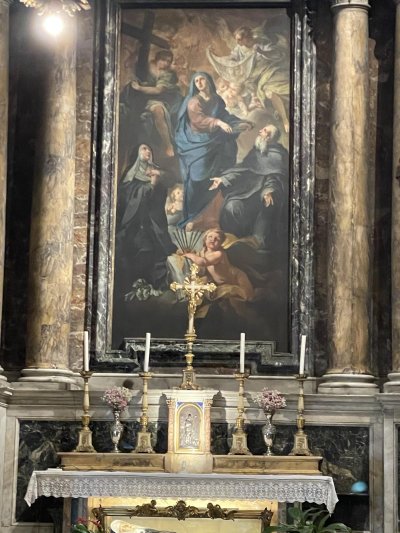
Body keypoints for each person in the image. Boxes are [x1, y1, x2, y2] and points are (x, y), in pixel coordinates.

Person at [175, 72, 252, 230]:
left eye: (202, 79)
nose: (199, 83)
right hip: (196, 142)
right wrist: (218, 122)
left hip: (214, 141)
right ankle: (193, 215)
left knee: (216, 175)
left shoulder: (217, 100)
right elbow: (198, 121)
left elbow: (225, 116)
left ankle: (210, 218)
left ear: (208, 81)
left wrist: (240, 122)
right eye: (196, 81)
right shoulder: (193, 102)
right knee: (197, 178)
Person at [209, 124, 288, 251]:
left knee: (269, 206)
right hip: (248, 192)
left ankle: (257, 240)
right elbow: (243, 169)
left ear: (269, 137)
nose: (260, 130)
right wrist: (223, 179)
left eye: (264, 130)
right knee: (231, 207)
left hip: (265, 194)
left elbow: (275, 177)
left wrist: (268, 190)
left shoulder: (279, 155)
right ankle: (235, 239)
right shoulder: (257, 151)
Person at [114, 144, 177, 297]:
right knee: (135, 249)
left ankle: (157, 285)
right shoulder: (130, 175)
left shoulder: (156, 171)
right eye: (144, 148)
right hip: (135, 222)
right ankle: (134, 286)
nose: (148, 151)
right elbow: (126, 198)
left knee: (157, 250)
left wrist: (157, 174)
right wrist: (151, 185)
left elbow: (171, 179)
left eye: (149, 149)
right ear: (136, 153)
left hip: (154, 221)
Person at [207, 25, 290, 134]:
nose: (237, 42)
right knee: (266, 93)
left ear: (247, 37)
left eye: (240, 39)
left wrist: (261, 51)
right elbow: (231, 59)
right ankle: (281, 117)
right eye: (237, 40)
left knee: (272, 90)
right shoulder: (239, 49)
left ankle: (285, 119)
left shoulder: (261, 42)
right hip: (256, 79)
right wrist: (215, 57)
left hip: (269, 71)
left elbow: (277, 54)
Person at [121, 50, 182, 159]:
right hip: (142, 97)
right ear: (157, 59)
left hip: (160, 98)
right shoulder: (147, 64)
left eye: (169, 61)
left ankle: (168, 145)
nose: (166, 63)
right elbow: (128, 65)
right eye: (163, 60)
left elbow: (158, 90)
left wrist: (140, 88)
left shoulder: (168, 74)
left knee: (158, 111)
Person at [183, 228, 254, 316]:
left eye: (217, 239)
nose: (213, 240)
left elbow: (203, 262)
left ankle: (245, 318)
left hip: (235, 279)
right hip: (221, 282)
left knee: (239, 305)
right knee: (225, 305)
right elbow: (198, 258)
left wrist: (190, 255)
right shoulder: (203, 251)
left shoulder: (219, 254)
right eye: (210, 237)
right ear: (205, 239)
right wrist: (187, 253)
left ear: (221, 243)